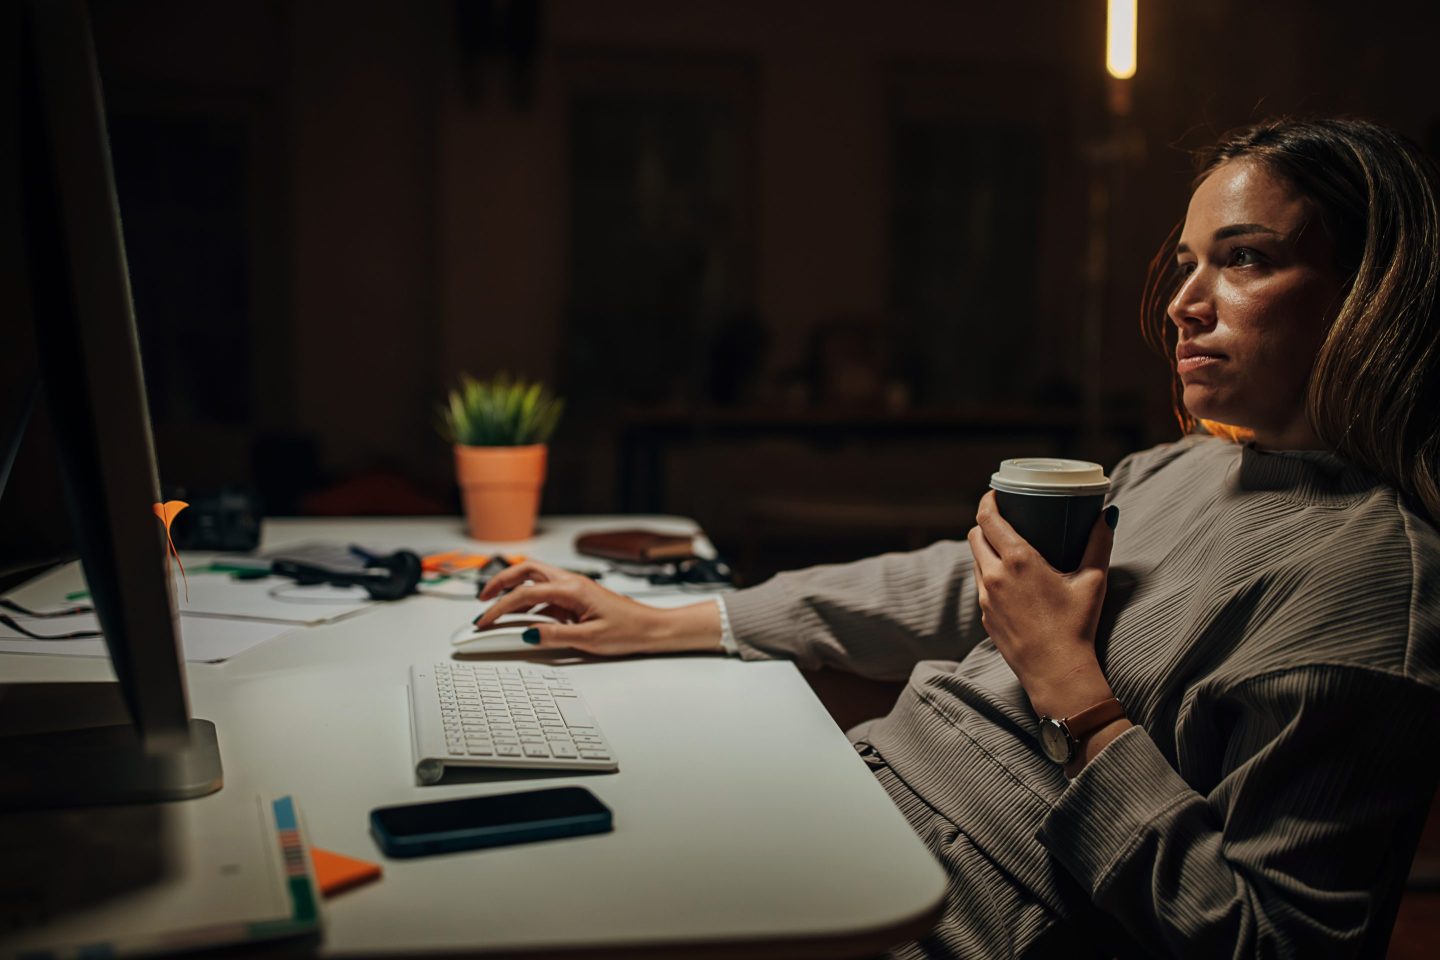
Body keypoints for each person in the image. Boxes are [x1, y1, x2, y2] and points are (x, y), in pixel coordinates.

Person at [477, 117, 1440, 958]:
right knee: (504, 847)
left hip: (937, 918)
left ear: (1370, 293)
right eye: (1187, 262)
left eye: (1245, 258)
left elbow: (1266, 940)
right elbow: (956, 585)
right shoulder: (1178, 468)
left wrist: (1072, 691)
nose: (1185, 302)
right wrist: (664, 620)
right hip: (852, 800)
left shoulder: (1372, 584)